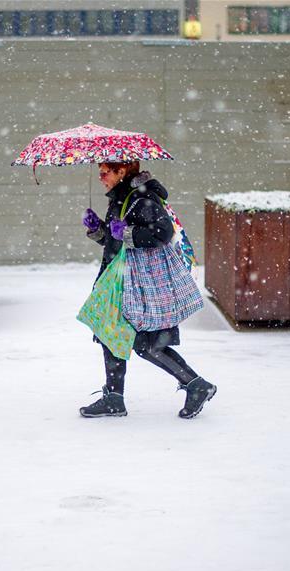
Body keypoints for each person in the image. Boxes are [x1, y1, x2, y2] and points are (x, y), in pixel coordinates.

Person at [80, 161, 216, 419]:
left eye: (105, 172)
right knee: (113, 333)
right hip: (121, 278)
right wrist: (99, 230)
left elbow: (162, 233)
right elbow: (115, 241)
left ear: (122, 172)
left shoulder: (142, 198)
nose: (100, 177)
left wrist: (127, 233)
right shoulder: (122, 198)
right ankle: (115, 398)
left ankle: (195, 385)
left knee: (147, 343)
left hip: (141, 284)